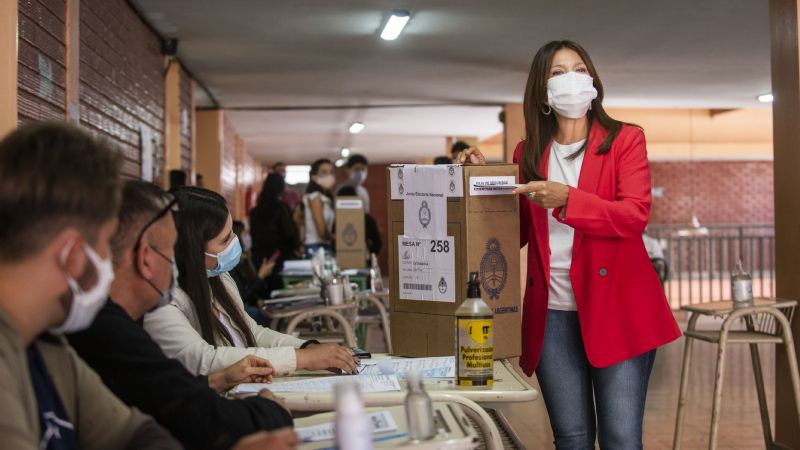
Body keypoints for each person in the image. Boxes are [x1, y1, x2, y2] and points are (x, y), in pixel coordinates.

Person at [458, 40, 681, 449]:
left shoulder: (625, 139)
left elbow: (633, 216)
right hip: (553, 315)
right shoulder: (528, 152)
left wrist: (568, 200)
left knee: (621, 439)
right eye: (558, 73)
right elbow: (514, 232)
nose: (571, 80)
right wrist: (482, 179)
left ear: (593, 80)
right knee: (571, 438)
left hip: (618, 309)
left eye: (579, 69)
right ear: (542, 91)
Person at [67, 180, 296, 450]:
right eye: (172, 251)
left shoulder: (100, 322)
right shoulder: (109, 331)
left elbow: (145, 419)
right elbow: (194, 414)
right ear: (146, 259)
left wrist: (218, 380)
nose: (178, 264)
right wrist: (271, 410)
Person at [0, 122, 181, 449]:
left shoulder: (46, 345)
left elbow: (135, 433)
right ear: (72, 255)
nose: (109, 262)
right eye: (104, 244)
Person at [143, 186, 359, 377]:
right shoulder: (160, 302)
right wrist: (302, 359)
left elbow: (251, 332)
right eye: (225, 240)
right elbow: (203, 360)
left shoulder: (218, 277)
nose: (235, 243)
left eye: (232, 233)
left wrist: (308, 347)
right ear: (191, 249)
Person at [249, 173, 301, 293]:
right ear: (281, 189)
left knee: (263, 292)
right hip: (279, 259)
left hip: (259, 259)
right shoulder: (282, 208)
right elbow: (290, 234)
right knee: (279, 293)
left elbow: (254, 235)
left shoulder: (255, 212)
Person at [302, 158, 336, 257]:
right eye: (324, 172)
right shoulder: (315, 197)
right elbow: (321, 230)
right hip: (315, 248)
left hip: (324, 246)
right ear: (314, 177)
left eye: (331, 172)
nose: (329, 175)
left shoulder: (326, 198)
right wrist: (336, 239)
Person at [335, 185, 382, 255]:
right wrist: (368, 255)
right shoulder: (367, 220)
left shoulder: (337, 221)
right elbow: (377, 244)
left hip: (342, 259)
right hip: (362, 259)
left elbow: (333, 243)